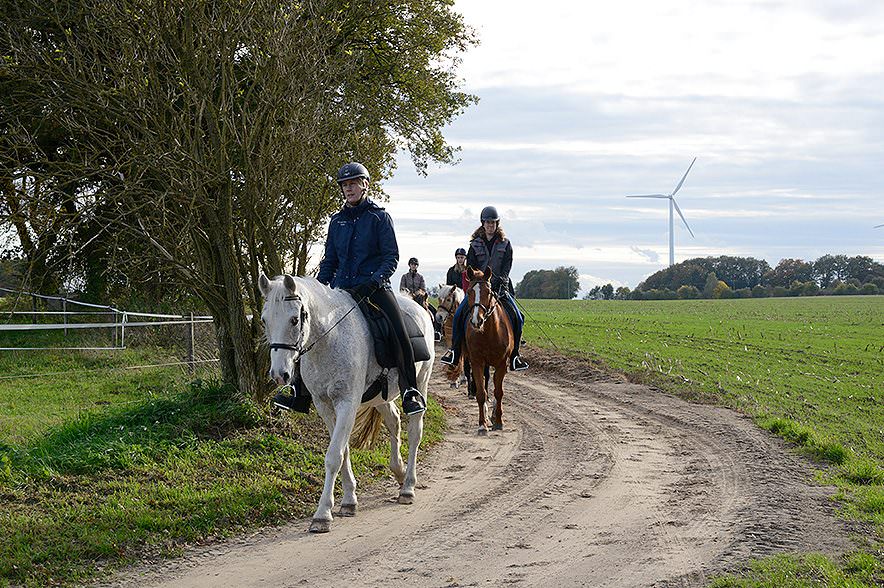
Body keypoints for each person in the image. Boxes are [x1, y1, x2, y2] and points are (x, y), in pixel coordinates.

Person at [276, 162, 426, 415]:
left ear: (365, 185)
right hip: (341, 289)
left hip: (374, 288)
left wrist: (376, 279)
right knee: (308, 328)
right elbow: (330, 260)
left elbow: (391, 257)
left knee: (398, 328)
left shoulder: (380, 217)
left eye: (353, 183)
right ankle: (298, 392)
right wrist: (319, 286)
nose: (349, 188)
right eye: (345, 185)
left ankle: (410, 389)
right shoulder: (337, 222)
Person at [439, 206, 529, 372]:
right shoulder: (474, 245)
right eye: (487, 222)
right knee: (459, 315)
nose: (490, 225)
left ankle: (515, 355)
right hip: (479, 289)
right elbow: (471, 267)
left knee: (518, 316)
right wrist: (477, 280)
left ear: (497, 224)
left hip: (500, 287)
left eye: (493, 223)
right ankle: (454, 351)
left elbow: (507, 265)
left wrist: (501, 279)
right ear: (483, 223)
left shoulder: (505, 243)